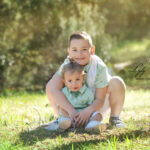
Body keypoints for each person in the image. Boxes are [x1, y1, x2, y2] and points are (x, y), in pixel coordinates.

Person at [46, 31, 126, 130]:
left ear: (92, 50)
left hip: (94, 105)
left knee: (117, 82)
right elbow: (53, 89)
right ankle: (63, 119)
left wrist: (88, 111)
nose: (79, 54)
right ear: (69, 52)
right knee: (51, 85)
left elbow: (100, 99)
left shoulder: (98, 66)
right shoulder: (67, 65)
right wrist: (71, 111)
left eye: (84, 49)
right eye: (74, 50)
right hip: (72, 105)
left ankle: (114, 118)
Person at [44, 61, 107, 131]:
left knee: (98, 115)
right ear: (64, 82)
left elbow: (90, 107)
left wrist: (85, 116)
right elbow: (62, 107)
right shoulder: (64, 92)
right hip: (69, 116)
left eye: (77, 79)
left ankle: (92, 125)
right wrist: (69, 116)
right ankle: (66, 124)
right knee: (65, 119)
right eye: (70, 81)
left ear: (83, 79)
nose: (74, 84)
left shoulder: (87, 92)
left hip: (84, 116)